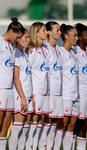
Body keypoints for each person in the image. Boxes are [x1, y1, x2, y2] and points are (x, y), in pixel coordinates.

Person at [0, 17, 25, 150]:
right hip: (0, 89)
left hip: (9, 88)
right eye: (18, 36)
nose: (18, 40)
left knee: (6, 123)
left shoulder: (12, 45)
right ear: (10, 31)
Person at [53, 24, 79, 150]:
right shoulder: (60, 52)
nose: (77, 38)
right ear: (66, 36)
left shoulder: (74, 52)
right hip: (66, 94)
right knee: (62, 126)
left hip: (75, 94)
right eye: (74, 35)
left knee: (71, 127)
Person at [25, 22, 50, 150]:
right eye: (44, 30)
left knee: (41, 121)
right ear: (36, 33)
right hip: (36, 91)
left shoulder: (45, 50)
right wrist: (31, 94)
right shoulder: (32, 50)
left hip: (46, 91)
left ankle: (36, 146)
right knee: (34, 121)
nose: (47, 33)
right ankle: (29, 146)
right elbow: (27, 71)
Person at [39, 21, 63, 150]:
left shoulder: (59, 49)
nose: (60, 33)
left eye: (60, 30)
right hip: (49, 92)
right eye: (57, 30)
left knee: (55, 124)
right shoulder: (45, 49)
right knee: (46, 124)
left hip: (59, 93)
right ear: (48, 32)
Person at [9, 28, 33, 150]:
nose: (28, 40)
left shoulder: (24, 54)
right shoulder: (16, 54)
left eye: (29, 37)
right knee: (17, 127)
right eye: (26, 37)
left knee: (26, 128)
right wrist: (23, 98)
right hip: (19, 96)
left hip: (27, 95)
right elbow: (16, 78)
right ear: (18, 39)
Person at [73, 23, 87, 150]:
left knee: (86, 123)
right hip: (80, 94)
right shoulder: (76, 52)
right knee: (77, 124)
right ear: (79, 37)